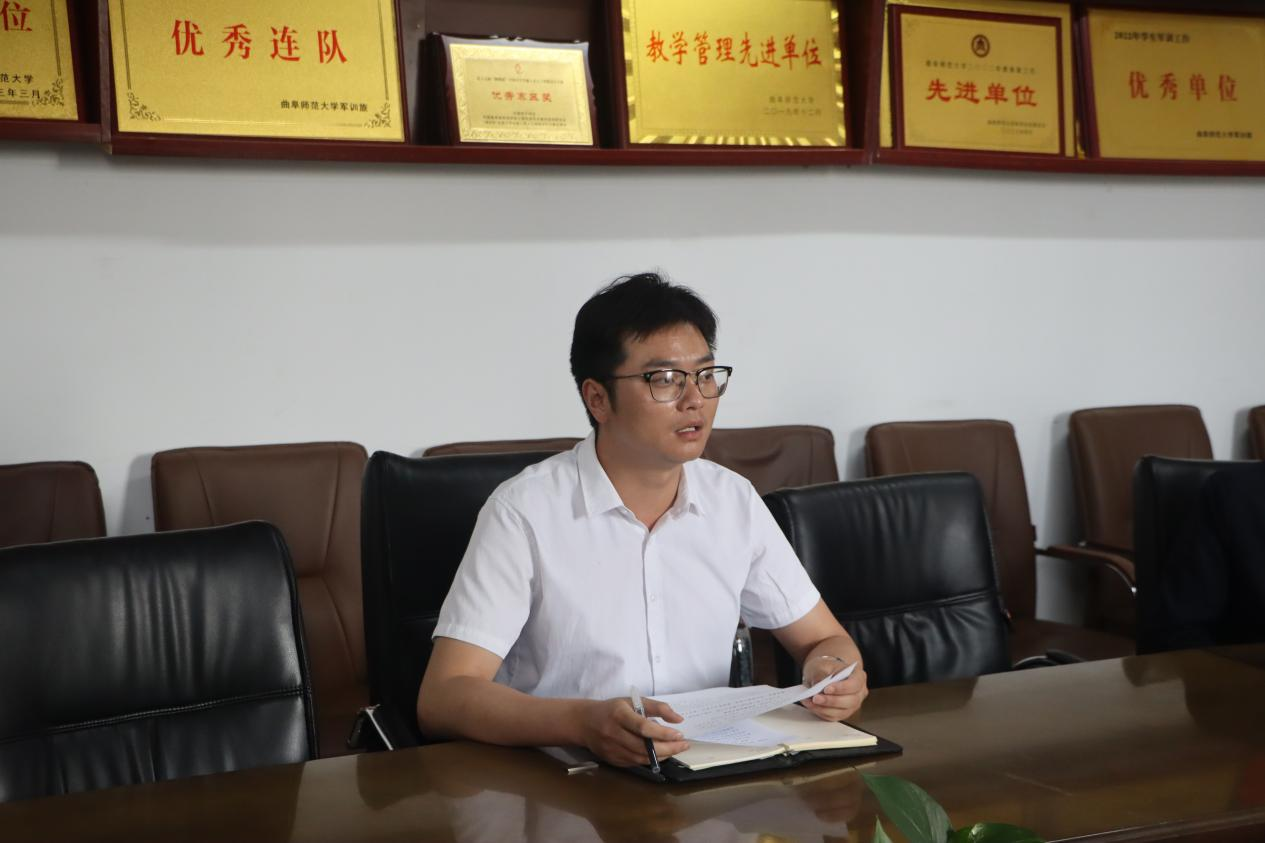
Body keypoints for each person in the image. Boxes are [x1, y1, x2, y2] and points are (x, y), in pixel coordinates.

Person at [417, 273, 867, 767]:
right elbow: (444, 697)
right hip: (564, 780)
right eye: (665, 379)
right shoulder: (524, 511)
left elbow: (825, 640)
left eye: (706, 374)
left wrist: (834, 672)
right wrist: (582, 723)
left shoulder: (732, 500)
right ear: (598, 399)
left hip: (705, 773)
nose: (695, 399)